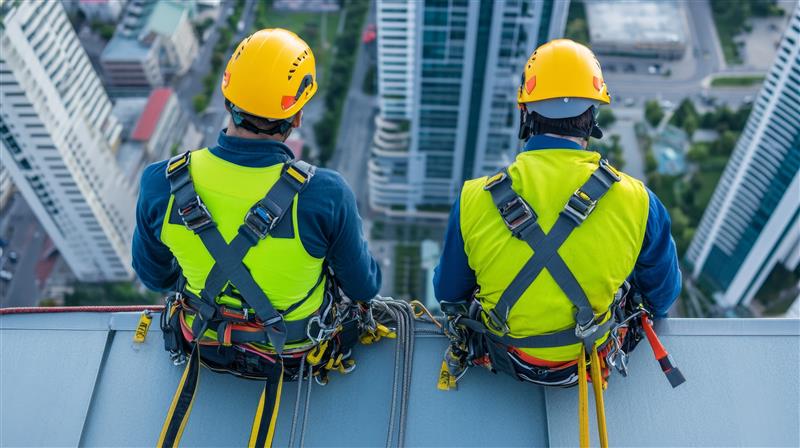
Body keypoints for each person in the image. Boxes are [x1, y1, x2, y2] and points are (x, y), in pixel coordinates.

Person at [433, 39, 681, 386]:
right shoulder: (639, 201)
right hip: (588, 356)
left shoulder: (475, 198)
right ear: (593, 115)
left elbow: (447, 292)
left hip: (507, 355)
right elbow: (661, 297)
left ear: (525, 113)